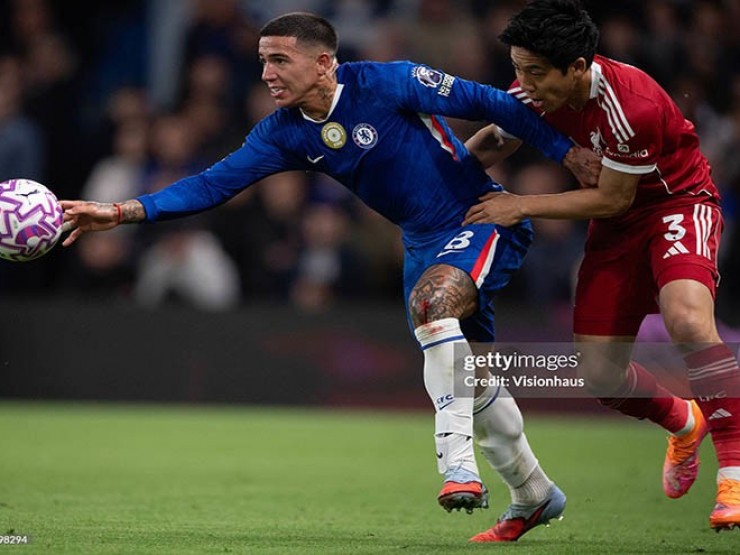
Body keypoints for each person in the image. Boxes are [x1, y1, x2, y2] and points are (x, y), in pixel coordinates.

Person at [60, 12, 600, 542]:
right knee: (472, 379)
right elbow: (210, 185)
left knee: (433, 306)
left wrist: (566, 151)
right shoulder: (284, 133)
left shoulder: (387, 82)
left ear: (323, 63)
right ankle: (534, 492)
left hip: (480, 216)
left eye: (279, 60)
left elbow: (491, 103)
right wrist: (121, 211)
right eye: (263, 61)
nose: (267, 73)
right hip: (421, 244)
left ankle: (457, 466)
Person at [464, 0, 740, 533]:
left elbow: (613, 198)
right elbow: (497, 138)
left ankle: (733, 476)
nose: (524, 84)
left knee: (687, 319)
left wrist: (520, 204)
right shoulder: (535, 91)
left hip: (676, 204)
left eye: (535, 72)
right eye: (519, 69)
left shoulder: (631, 105)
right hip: (616, 227)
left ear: (576, 66)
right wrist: (431, 177)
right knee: (599, 374)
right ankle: (684, 421)